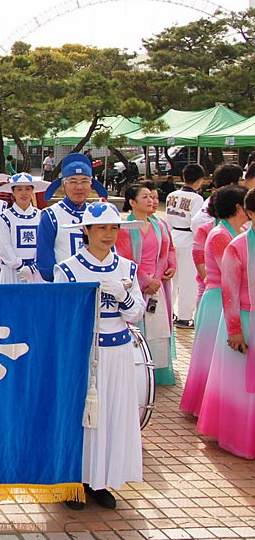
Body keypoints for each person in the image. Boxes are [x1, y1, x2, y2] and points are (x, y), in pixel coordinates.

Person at [54, 202, 145, 510]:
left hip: (118, 351)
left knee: (111, 413)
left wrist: (123, 294)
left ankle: (101, 480)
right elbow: (61, 317)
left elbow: (135, 313)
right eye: (101, 228)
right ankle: (73, 479)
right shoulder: (68, 269)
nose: (108, 234)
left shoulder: (127, 268)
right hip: (83, 352)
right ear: (86, 231)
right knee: (80, 416)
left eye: (113, 228)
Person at [182, 186, 247, 418]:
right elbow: (230, 272)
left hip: (228, 298)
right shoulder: (220, 234)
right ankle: (205, 407)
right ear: (239, 207)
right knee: (210, 356)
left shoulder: (237, 232)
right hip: (218, 299)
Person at [199, 189, 255, 459]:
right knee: (240, 387)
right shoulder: (237, 245)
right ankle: (238, 438)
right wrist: (234, 330)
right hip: (242, 320)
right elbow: (230, 291)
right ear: (250, 213)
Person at [116, 181, 177, 386]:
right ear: (132, 202)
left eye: (151, 197)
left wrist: (157, 278)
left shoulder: (159, 225)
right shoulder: (125, 228)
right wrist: (145, 280)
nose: (151, 200)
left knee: (157, 329)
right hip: (136, 284)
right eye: (145, 197)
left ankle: (155, 370)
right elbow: (126, 258)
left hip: (157, 286)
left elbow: (165, 253)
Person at [38, 153, 107, 282]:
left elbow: (109, 251)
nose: (79, 187)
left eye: (84, 181)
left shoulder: (99, 215)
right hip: (64, 286)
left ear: (91, 185)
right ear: (63, 185)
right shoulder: (51, 216)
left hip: (96, 285)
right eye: (73, 181)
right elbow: (45, 261)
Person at [166, 164, 206, 329]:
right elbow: (196, 222)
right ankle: (184, 317)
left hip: (173, 235)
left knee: (173, 278)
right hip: (189, 238)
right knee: (189, 280)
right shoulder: (197, 199)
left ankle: (169, 312)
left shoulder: (172, 195)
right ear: (200, 180)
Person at [0, 173, 49, 283]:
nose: (24, 193)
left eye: (27, 189)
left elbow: (45, 244)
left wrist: (33, 267)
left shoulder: (41, 216)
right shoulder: (5, 217)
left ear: (32, 191)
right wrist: (19, 266)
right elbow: (4, 245)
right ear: (13, 192)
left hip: (36, 271)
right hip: (11, 272)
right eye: (19, 189)